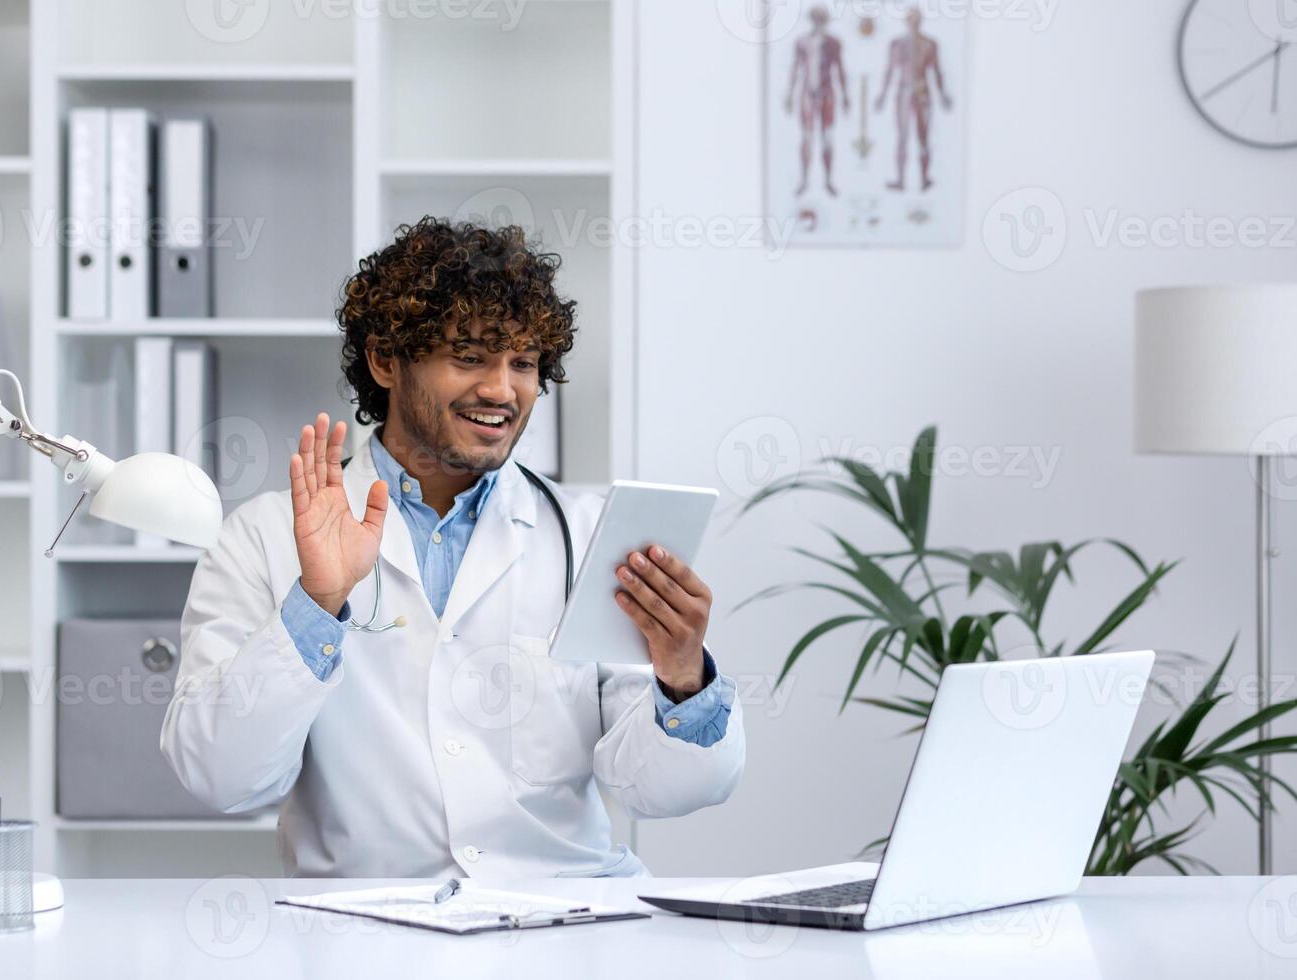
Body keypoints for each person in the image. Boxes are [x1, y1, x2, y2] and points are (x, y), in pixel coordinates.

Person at [161, 217, 745, 877]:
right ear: (385, 360)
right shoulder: (264, 539)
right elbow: (221, 778)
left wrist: (682, 676)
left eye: (523, 363)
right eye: (468, 356)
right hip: (367, 933)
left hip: (561, 924)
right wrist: (317, 605)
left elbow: (664, 789)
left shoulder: (588, 536)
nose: (501, 390)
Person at [874, 7, 952, 192]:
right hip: (904, 93)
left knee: (923, 137)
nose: (913, 23)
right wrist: (882, 96)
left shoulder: (929, 44)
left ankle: (924, 179)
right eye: (911, 20)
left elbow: (937, 71)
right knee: (902, 137)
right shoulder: (897, 44)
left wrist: (942, 95)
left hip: (922, 93)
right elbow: (890, 71)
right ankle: (900, 180)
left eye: (916, 19)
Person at [785, 5, 850, 197]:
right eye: (816, 19)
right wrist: (789, 94)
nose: (819, 22)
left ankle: (828, 181)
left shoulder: (833, 43)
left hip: (827, 93)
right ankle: (804, 180)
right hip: (807, 94)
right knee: (806, 137)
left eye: (822, 19)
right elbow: (795, 69)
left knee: (827, 138)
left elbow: (840, 69)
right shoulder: (802, 42)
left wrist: (846, 95)